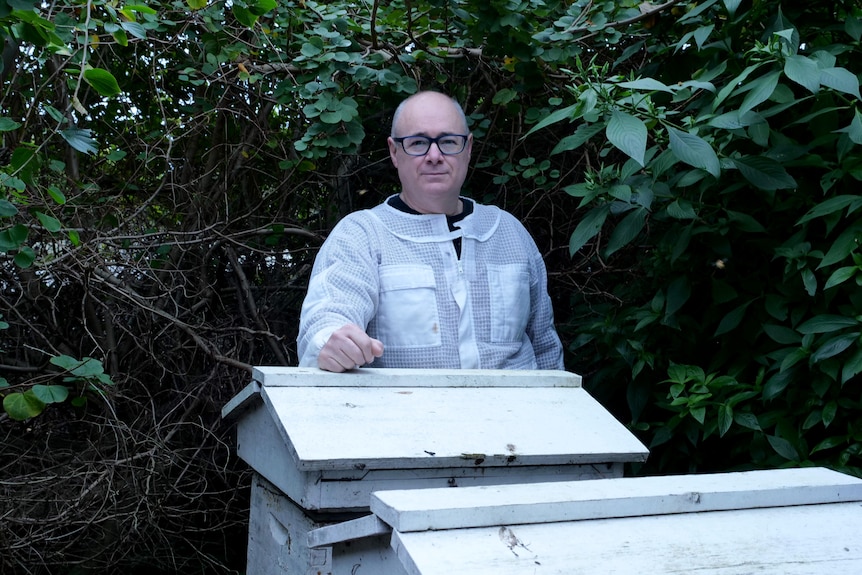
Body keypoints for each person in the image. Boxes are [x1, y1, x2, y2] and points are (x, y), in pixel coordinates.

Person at [297, 90, 564, 372]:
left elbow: (545, 346)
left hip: (518, 413)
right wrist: (330, 342)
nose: (434, 155)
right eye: (418, 142)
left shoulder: (509, 232)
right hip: (407, 412)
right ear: (394, 151)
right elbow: (328, 316)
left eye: (448, 141)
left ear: (469, 148)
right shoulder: (362, 235)